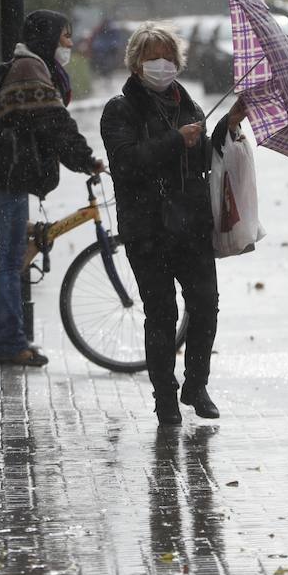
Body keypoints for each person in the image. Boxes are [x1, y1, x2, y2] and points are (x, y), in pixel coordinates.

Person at [100, 22, 245, 424]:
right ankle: (165, 395)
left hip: (191, 224)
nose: (160, 65)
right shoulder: (120, 109)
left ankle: (196, 384)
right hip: (147, 229)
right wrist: (175, 140)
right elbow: (127, 161)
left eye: (167, 57)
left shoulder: (190, 106)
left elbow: (201, 161)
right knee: (161, 313)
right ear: (135, 64)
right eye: (151, 58)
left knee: (205, 306)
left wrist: (225, 128)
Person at [0, 9, 103, 367]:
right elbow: (54, 122)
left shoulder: (36, 65)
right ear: (49, 38)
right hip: (9, 173)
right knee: (10, 261)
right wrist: (86, 159)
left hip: (14, 172)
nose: (70, 44)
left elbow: (48, 123)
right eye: (65, 37)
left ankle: (5, 334)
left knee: (13, 254)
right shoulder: (29, 68)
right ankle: (9, 343)